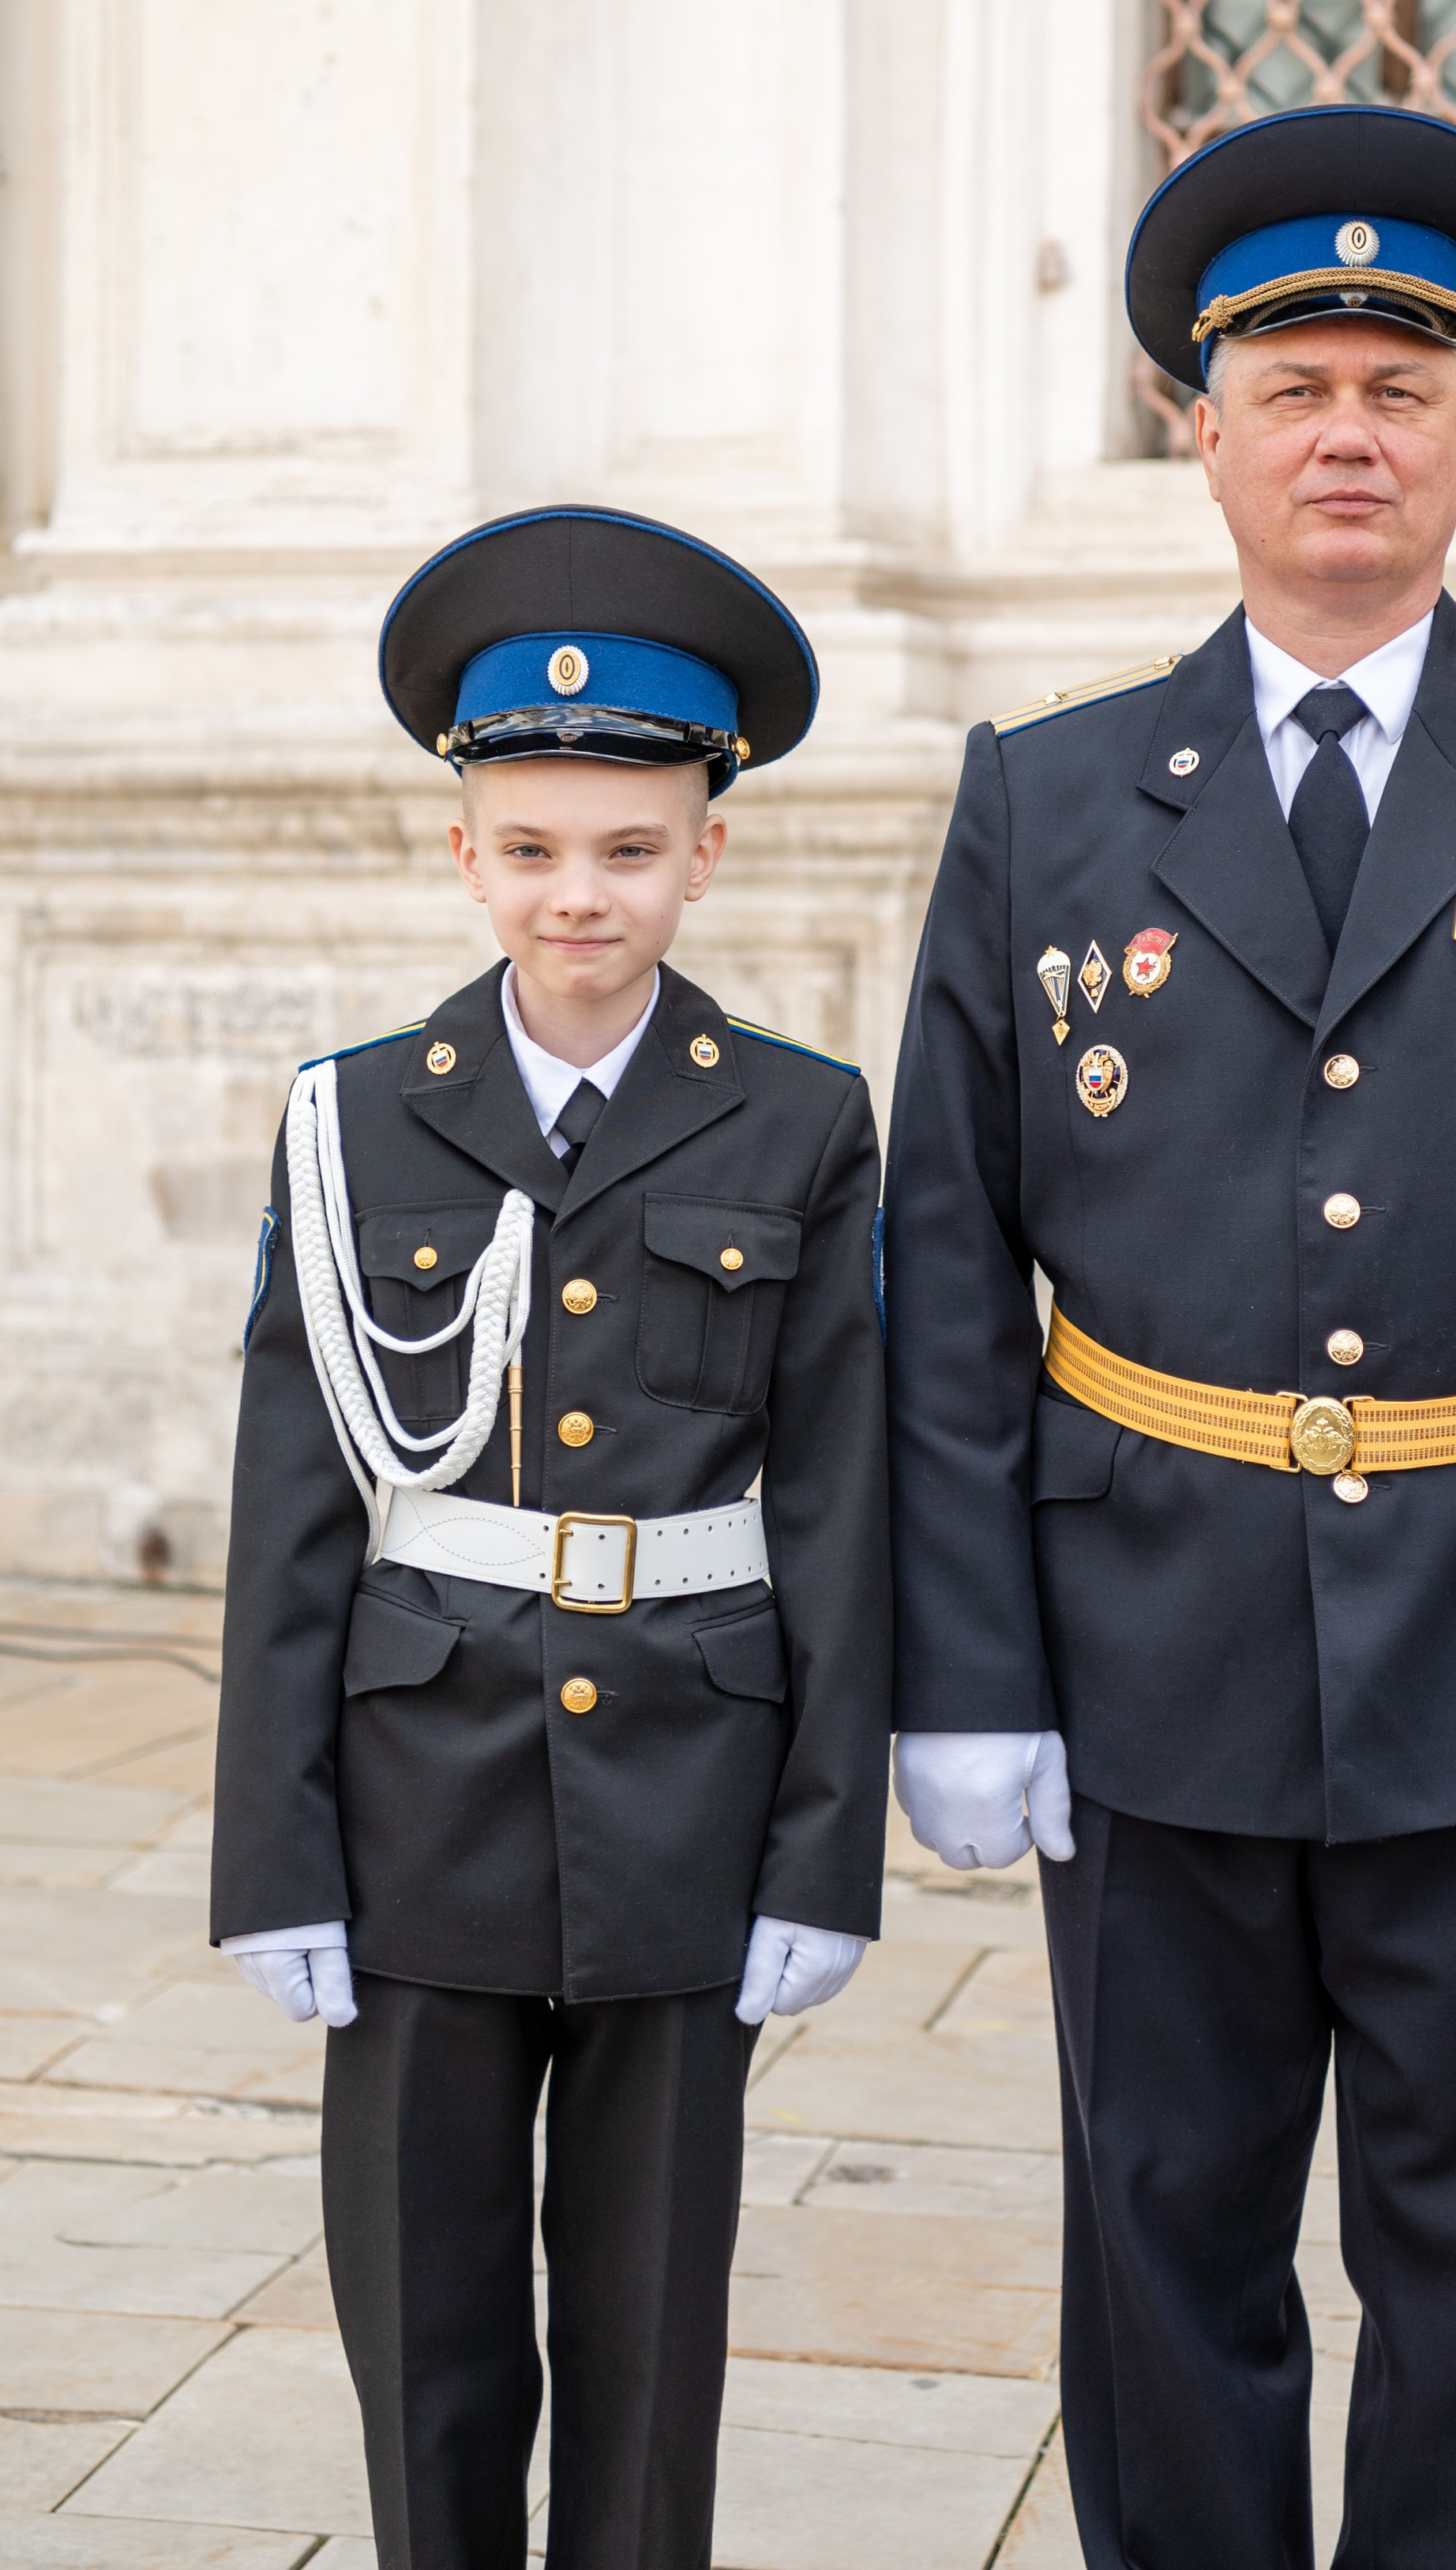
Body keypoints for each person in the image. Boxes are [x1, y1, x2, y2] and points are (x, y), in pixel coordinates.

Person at [884, 105, 1456, 2570]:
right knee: (1162, 2244)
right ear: (1203, 428)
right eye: (1292, 382)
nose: (1344, 432)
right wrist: (959, 1668)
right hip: (1147, 1637)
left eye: (1399, 388)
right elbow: (951, 1269)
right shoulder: (1049, 797)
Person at [210, 505, 891, 2570]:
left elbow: (847, 1502)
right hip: (421, 1801)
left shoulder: (798, 1120)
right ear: (464, 852)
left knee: (648, 2329)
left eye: (624, 848)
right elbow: (295, 1509)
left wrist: (823, 1848)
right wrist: (274, 1853)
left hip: (691, 1792)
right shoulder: (355, 1118)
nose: (576, 895)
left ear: (708, 846)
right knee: (422, 2329)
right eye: (531, 847)